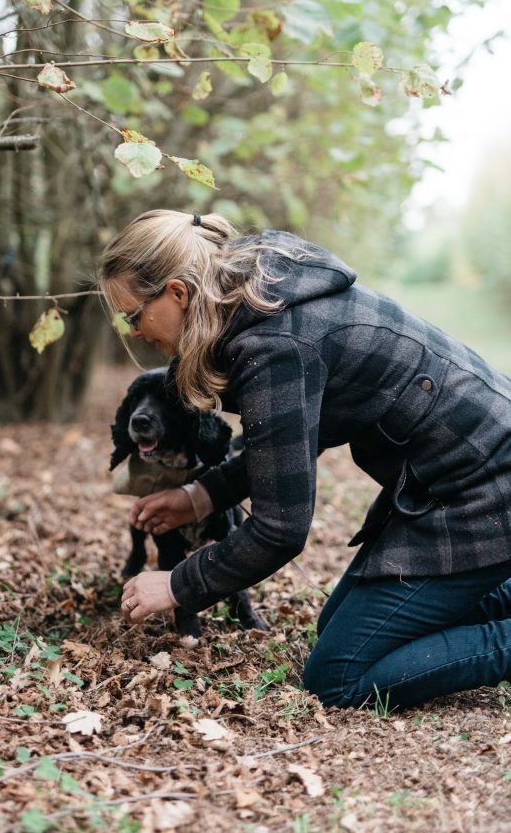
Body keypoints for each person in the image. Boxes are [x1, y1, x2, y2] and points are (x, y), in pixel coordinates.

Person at [98, 209, 511, 710]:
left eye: (133, 315)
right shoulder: (262, 295)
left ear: (178, 293)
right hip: (450, 484)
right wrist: (200, 497)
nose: (134, 331)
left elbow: (279, 529)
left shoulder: (273, 342)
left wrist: (180, 583)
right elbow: (284, 447)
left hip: (486, 490)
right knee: (333, 627)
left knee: (338, 675)